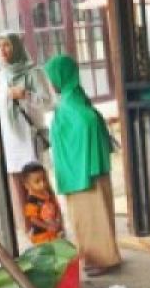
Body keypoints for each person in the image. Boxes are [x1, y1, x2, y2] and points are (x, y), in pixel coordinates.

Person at [44, 54, 121, 276]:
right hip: (87, 166)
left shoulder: (70, 104)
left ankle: (99, 260)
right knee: (98, 214)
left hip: (81, 171)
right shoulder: (75, 97)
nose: (51, 84)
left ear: (60, 77)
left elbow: (86, 122)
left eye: (52, 78)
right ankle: (106, 257)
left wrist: (81, 155)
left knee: (89, 217)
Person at [0, 32, 54, 172]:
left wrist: (26, 95)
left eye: (7, 45)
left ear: (17, 47)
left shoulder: (34, 73)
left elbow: (48, 103)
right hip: (10, 141)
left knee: (38, 183)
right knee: (17, 186)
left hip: (30, 137)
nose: (2, 50)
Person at [19, 162, 63, 244]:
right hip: (41, 237)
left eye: (44, 179)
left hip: (53, 234)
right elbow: (33, 219)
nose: (42, 184)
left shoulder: (47, 194)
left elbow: (56, 208)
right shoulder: (31, 201)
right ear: (27, 185)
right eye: (37, 182)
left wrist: (58, 221)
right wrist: (47, 226)